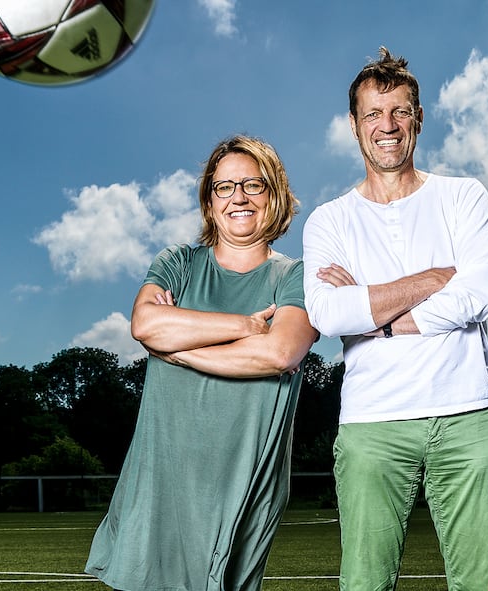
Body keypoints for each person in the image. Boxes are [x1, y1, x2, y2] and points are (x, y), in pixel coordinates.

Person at [302, 47, 488, 590]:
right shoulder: (329, 221)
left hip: (467, 415)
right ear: (354, 125)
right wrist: (434, 277)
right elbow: (329, 313)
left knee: (484, 583)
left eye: (399, 112)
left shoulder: (463, 196)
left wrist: (378, 315)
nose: (387, 126)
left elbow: (483, 292)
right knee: (365, 583)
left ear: (418, 118)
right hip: (373, 422)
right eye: (373, 114)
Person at [85, 135, 319, 591]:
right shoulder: (178, 262)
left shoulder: (297, 276)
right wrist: (246, 326)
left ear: (275, 194)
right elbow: (146, 324)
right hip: (163, 476)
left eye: (253, 184)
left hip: (244, 479)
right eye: (224, 187)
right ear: (209, 202)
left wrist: (178, 349)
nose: (239, 197)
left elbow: (279, 353)